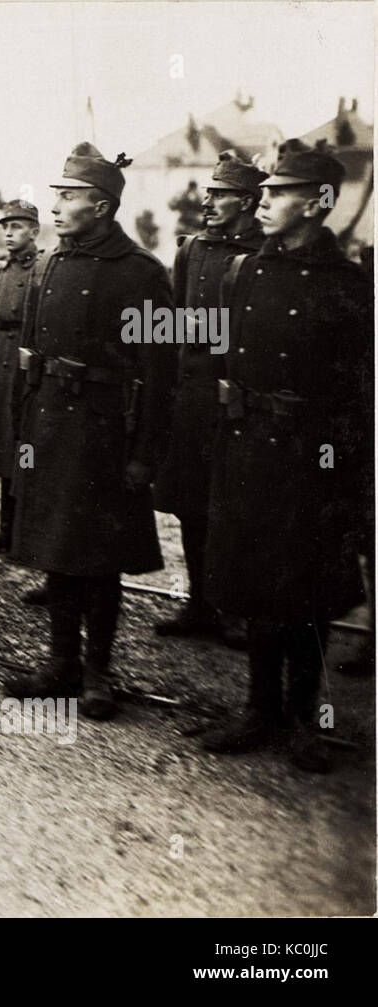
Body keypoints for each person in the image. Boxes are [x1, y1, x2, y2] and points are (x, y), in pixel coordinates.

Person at [200, 139, 373, 772]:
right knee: (255, 583)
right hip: (250, 451)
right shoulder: (244, 271)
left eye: (279, 193)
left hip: (312, 457)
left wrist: (346, 476)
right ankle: (257, 710)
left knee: (304, 591)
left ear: (318, 203)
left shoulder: (349, 285)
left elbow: (360, 394)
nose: (264, 201)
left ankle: (304, 718)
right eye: (264, 192)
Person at [4, 143, 176, 720]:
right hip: (50, 423)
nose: (55, 206)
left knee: (98, 558)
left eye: (68, 197)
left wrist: (144, 454)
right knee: (58, 550)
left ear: (101, 207)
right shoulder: (51, 263)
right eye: (56, 195)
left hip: (105, 434)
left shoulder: (141, 273)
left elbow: (160, 375)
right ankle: (60, 666)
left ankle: (98, 673)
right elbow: (28, 353)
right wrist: (22, 426)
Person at [152, 151, 265, 641]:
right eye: (210, 193)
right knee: (192, 505)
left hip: (238, 396)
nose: (209, 202)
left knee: (236, 507)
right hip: (193, 394)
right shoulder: (191, 249)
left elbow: (258, 332)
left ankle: (237, 611)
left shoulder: (264, 251)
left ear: (247, 201)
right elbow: (172, 320)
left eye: (221, 195)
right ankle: (199, 605)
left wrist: (204, 331)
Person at [0, 199, 42, 555]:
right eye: (5, 227)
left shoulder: (44, 269)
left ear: (34, 231)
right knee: (3, 447)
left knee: (24, 451)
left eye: (16, 226)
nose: (9, 233)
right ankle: (6, 531)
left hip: (24, 362)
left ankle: (25, 535)